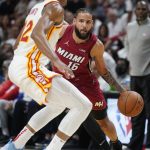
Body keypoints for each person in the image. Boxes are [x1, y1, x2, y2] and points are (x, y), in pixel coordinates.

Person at [1, 1, 93, 150]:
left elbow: (16, 44)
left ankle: (14, 146)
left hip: (21, 64)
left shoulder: (37, 7)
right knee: (84, 106)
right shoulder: (55, 7)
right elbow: (37, 34)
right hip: (29, 66)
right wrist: (57, 61)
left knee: (57, 106)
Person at [53, 8, 127, 150]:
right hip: (63, 82)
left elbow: (103, 70)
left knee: (103, 122)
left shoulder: (96, 45)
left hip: (86, 84)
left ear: (92, 24)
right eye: (81, 21)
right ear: (74, 21)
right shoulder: (62, 31)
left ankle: (116, 143)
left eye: (88, 22)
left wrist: (121, 90)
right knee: (80, 111)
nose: (84, 25)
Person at [125, 1, 150, 150]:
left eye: (144, 9)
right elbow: (127, 44)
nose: (141, 11)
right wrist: (129, 60)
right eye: (138, 9)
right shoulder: (129, 26)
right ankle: (135, 145)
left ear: (148, 11)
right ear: (135, 11)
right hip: (134, 75)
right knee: (136, 113)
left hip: (148, 75)